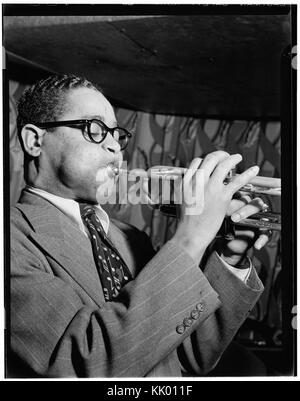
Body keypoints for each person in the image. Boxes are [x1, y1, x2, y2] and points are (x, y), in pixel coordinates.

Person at [9, 74, 267, 378]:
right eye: (95, 130)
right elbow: (88, 362)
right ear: (35, 141)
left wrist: (231, 255)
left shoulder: (130, 238)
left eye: (118, 135)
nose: (115, 148)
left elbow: (193, 355)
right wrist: (191, 238)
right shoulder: (11, 239)